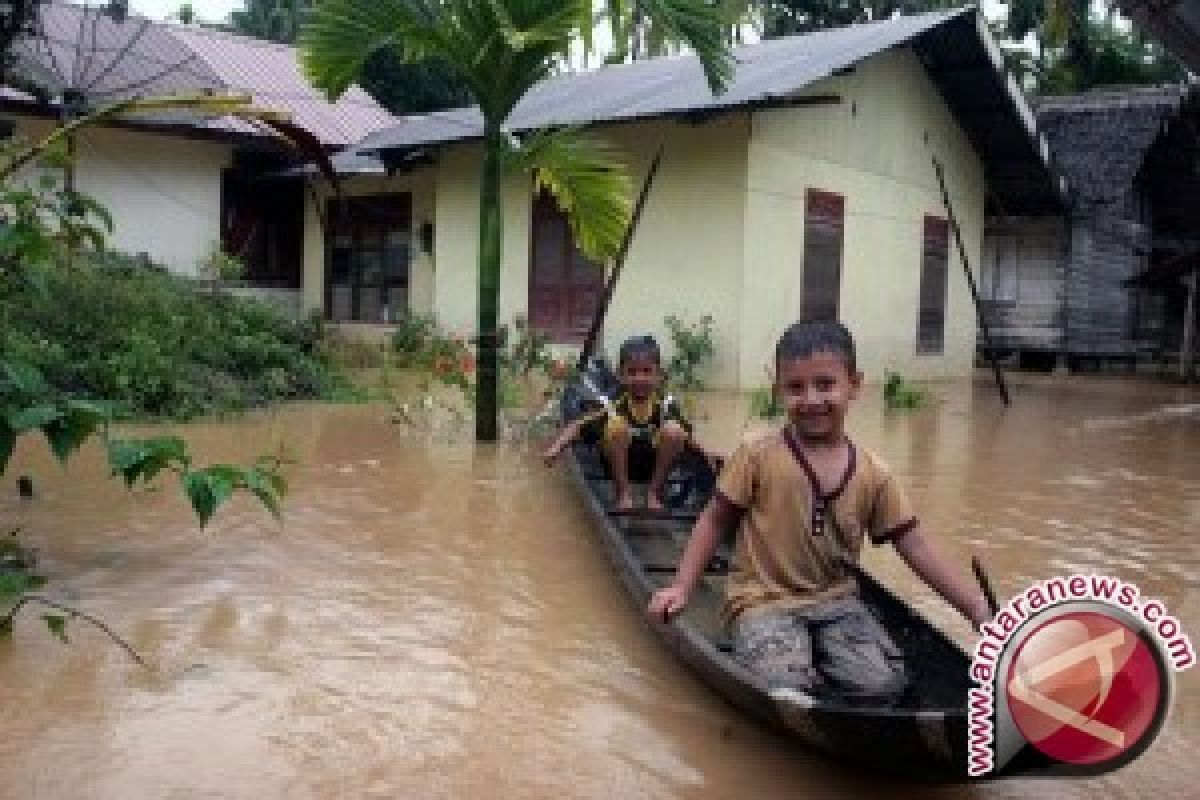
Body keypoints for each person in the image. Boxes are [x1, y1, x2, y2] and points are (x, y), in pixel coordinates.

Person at [647, 321, 991, 702]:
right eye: (795, 388)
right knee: (786, 686)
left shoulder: (872, 473)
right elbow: (714, 519)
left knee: (883, 686)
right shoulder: (756, 455)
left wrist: (973, 605)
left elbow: (915, 546)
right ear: (779, 391)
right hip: (762, 603)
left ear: (854, 385)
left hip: (837, 603)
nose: (811, 400)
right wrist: (682, 587)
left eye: (825, 385)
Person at [543, 335, 692, 512]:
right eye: (632, 372)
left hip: (651, 466)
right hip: (617, 466)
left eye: (646, 371)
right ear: (620, 375)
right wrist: (556, 448)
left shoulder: (666, 403)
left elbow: (687, 437)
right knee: (617, 426)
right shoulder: (612, 402)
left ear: (659, 375)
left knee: (674, 431)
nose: (639, 378)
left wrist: (707, 454)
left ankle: (654, 492)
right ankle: (623, 493)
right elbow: (578, 426)